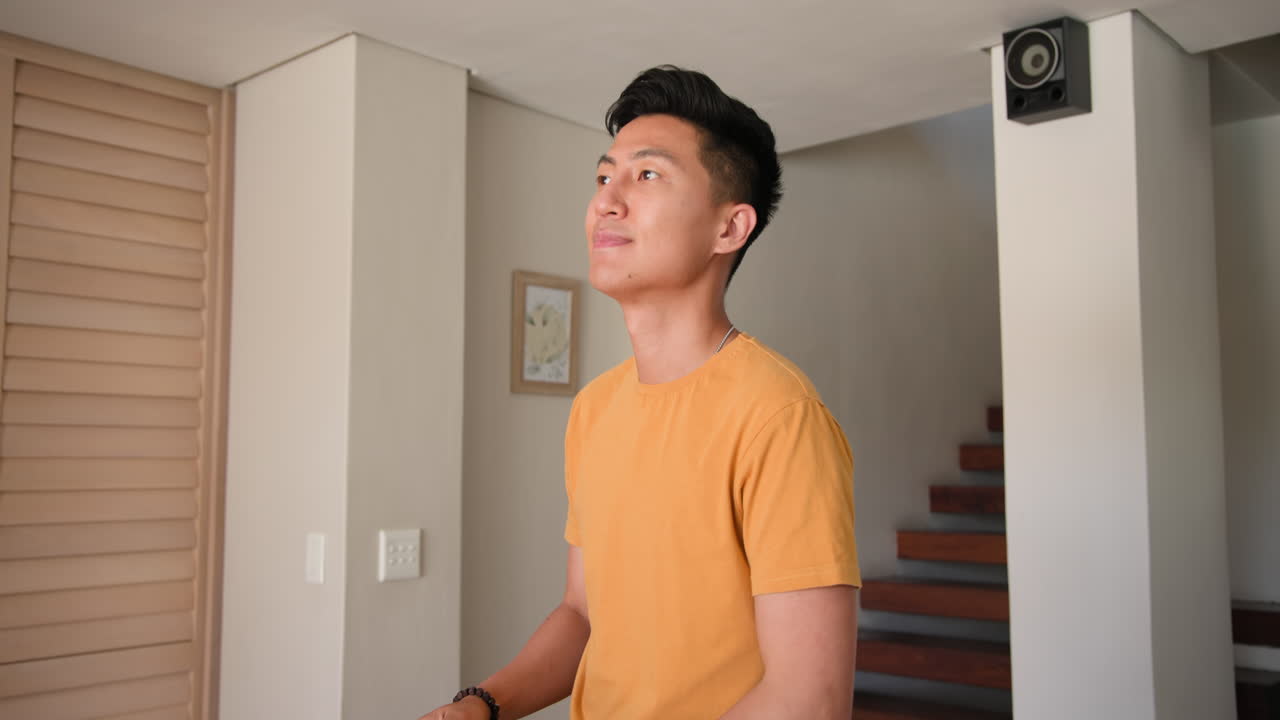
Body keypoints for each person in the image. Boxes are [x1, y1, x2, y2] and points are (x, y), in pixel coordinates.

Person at [420, 65, 860, 720]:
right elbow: (582, 614)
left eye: (647, 175)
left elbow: (807, 699)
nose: (607, 200)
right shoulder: (595, 409)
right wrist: (479, 706)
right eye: (604, 177)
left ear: (729, 229)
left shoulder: (780, 416)